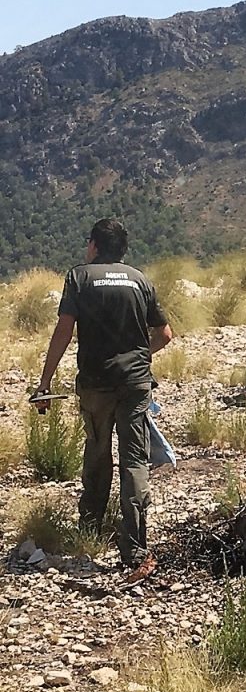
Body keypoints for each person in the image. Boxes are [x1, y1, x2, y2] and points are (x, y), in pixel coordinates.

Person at [33, 219, 173, 581]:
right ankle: (135, 549)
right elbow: (165, 334)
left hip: (96, 383)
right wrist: (143, 356)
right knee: (134, 460)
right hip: (136, 383)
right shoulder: (140, 280)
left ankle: (92, 525)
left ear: (94, 245)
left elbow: (64, 329)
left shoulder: (79, 277)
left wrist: (45, 381)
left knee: (97, 451)